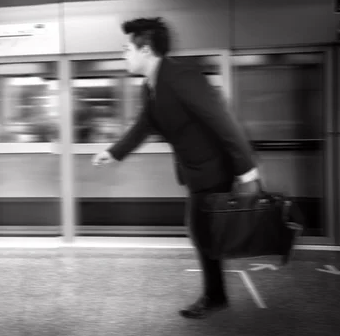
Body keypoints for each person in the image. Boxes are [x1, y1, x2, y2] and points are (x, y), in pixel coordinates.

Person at [92, 17, 262, 319]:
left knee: (202, 231)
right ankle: (216, 294)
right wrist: (114, 152)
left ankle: (214, 296)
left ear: (145, 50)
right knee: (202, 231)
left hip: (214, 170)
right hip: (197, 172)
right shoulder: (151, 86)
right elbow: (144, 125)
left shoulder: (182, 77)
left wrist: (247, 172)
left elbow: (222, 120)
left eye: (126, 48)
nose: (123, 55)